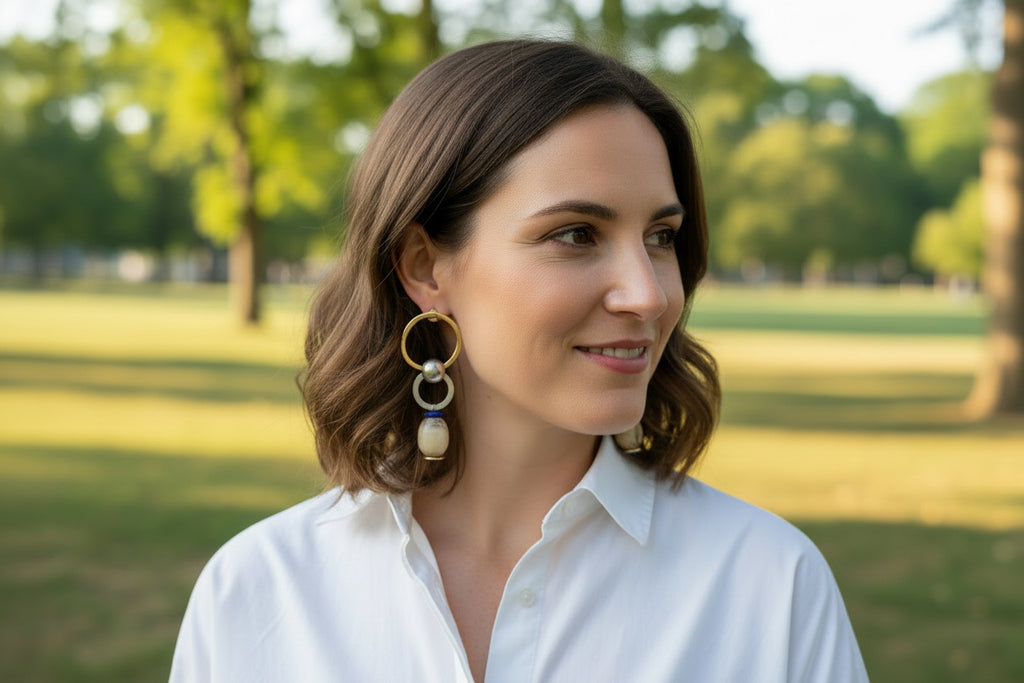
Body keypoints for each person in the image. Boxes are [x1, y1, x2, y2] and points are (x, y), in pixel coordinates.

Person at [170, 40, 869, 682]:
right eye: (575, 234)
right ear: (425, 267)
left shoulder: (772, 586)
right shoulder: (257, 591)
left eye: (661, 236)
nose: (649, 293)